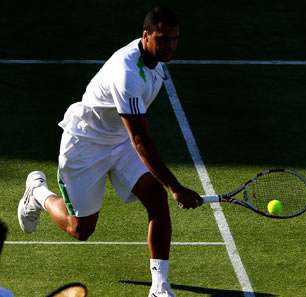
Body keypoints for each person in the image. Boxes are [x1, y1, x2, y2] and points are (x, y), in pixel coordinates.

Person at [16, 6, 202, 297]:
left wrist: (167, 188)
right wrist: (176, 186)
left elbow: (133, 135)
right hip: (85, 145)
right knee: (81, 230)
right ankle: (37, 193)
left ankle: (159, 286)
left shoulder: (155, 63)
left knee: (156, 196)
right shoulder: (127, 74)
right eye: (163, 39)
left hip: (118, 140)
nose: (170, 46)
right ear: (146, 36)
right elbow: (140, 140)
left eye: (175, 39)